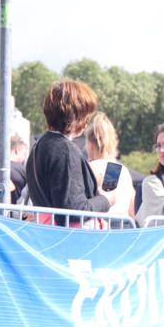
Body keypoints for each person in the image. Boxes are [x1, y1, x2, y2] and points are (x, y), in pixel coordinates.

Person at [26, 80, 115, 226]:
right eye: (86, 114)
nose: (87, 122)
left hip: (47, 233)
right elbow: (74, 210)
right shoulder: (64, 150)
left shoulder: (39, 146)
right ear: (75, 115)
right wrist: (106, 200)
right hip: (70, 240)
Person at [84, 112, 136, 222]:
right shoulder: (120, 169)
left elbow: (108, 201)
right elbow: (132, 207)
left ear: (91, 144)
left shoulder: (93, 168)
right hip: (124, 227)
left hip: (103, 229)